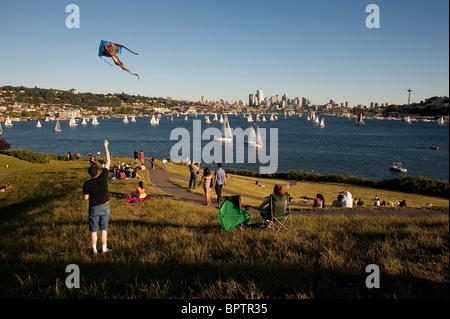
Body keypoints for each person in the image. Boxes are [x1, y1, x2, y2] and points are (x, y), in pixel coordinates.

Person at [82, 140, 112, 257]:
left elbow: (85, 198)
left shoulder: (87, 184)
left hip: (93, 207)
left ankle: (94, 250)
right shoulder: (103, 177)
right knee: (103, 229)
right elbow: (108, 161)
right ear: (98, 171)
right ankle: (104, 249)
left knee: (93, 230)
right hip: (105, 206)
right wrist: (106, 146)